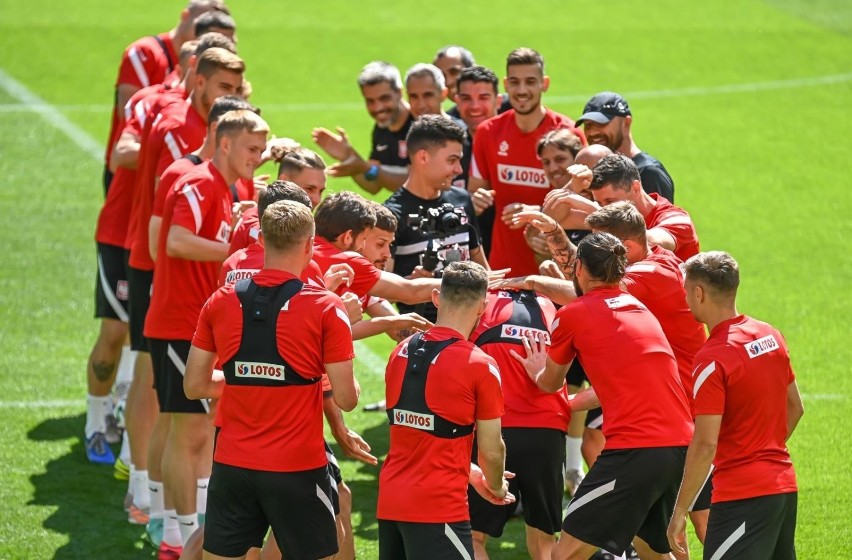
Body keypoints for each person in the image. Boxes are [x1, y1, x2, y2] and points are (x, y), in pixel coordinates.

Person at [184, 200, 359, 560]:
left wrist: (250, 378)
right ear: (310, 245)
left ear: (261, 240)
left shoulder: (220, 301)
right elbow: (347, 398)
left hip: (232, 463)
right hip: (297, 467)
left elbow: (194, 385)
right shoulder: (326, 307)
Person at [511, 232, 694, 559]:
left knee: (565, 553)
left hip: (636, 451)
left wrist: (537, 367)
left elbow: (551, 382)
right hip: (680, 446)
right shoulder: (638, 308)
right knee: (652, 550)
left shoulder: (573, 314)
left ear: (578, 267)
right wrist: (578, 402)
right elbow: (629, 381)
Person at [143, 110, 269, 558]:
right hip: (181, 323)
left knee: (184, 427)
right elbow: (175, 240)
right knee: (192, 434)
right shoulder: (199, 184)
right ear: (225, 143)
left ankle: (166, 520)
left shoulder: (223, 187)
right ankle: (182, 535)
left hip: (192, 324)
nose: (259, 157)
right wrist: (238, 251)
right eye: (253, 149)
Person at [667, 252, 803, 559]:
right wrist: (762, 452)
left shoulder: (712, 357)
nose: (686, 298)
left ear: (699, 293)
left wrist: (679, 512)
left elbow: (705, 444)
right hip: (782, 488)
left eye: (686, 291)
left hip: (742, 497)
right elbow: (795, 407)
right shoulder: (771, 336)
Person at [377, 261, 512, 560]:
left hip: (391, 502)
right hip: (438, 508)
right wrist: (495, 485)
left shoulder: (400, 350)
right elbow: (492, 450)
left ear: (437, 297)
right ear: (483, 307)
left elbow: (425, 433)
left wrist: (472, 473)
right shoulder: (480, 365)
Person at [468, 288, 567, 560]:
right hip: (548, 432)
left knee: (474, 537)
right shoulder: (553, 307)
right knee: (544, 537)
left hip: (493, 431)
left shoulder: (480, 303)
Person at [468, 47, 586, 276]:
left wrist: (539, 213)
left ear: (545, 83)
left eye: (530, 81)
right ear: (506, 84)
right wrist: (477, 199)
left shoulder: (569, 133)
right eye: (515, 82)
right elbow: (475, 192)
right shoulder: (488, 133)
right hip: (504, 268)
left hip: (557, 269)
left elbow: (586, 201)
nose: (522, 90)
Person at [103, 0, 228, 193]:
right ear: (185, 15)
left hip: (164, 173)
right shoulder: (146, 53)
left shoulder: (213, 72)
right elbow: (127, 111)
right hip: (129, 176)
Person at [383, 114, 490, 322]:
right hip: (423, 333)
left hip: (473, 329)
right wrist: (410, 285)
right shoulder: (393, 215)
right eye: (452, 160)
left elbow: (482, 268)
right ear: (423, 157)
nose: (459, 170)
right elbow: (381, 289)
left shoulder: (462, 201)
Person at [312, 61, 412, 194]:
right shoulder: (381, 130)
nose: (378, 108)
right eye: (370, 101)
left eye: (384, 98)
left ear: (400, 92)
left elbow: (417, 181)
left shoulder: (420, 126)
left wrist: (366, 167)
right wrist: (348, 157)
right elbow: (373, 185)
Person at [589, 154, 699, 262]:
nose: (604, 209)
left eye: (610, 201)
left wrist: (598, 219)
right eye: (599, 203)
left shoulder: (677, 219)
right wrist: (572, 187)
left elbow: (648, 242)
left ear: (635, 188)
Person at [228, 146, 327, 255]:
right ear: (284, 181)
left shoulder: (313, 224)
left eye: (321, 191)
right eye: (309, 189)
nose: (317, 199)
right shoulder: (254, 221)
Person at [576, 92, 674, 202]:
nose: (593, 132)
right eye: (588, 125)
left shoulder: (648, 173)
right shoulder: (593, 170)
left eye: (601, 123)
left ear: (626, 122)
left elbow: (660, 217)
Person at [453, 65, 502, 255]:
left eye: (483, 98)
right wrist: (467, 205)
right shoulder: (449, 148)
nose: (474, 107)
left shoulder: (513, 141)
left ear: (498, 100)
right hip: (465, 255)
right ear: (457, 102)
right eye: (466, 99)